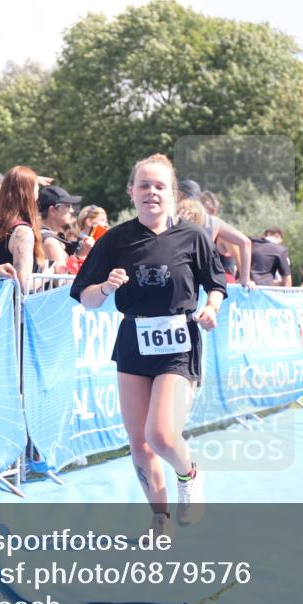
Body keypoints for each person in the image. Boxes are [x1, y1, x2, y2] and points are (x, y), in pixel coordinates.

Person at [71, 154, 226, 533]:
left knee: (160, 435)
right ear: (131, 192)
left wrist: (211, 308)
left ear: (172, 194)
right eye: (144, 185)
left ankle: (188, 475)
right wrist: (106, 287)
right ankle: (160, 518)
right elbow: (85, 297)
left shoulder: (192, 237)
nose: (151, 192)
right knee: (139, 443)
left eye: (159, 186)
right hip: (133, 342)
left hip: (179, 342)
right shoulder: (114, 240)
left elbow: (217, 284)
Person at [179, 180, 254, 288]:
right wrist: (245, 279)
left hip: (179, 280)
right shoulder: (213, 222)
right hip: (205, 282)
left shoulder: (170, 217)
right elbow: (245, 242)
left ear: (179, 195)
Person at [37, 185, 82, 272]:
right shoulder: (50, 241)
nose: (71, 210)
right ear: (52, 210)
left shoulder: (45, 235)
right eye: (67, 206)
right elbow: (63, 282)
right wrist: (82, 255)